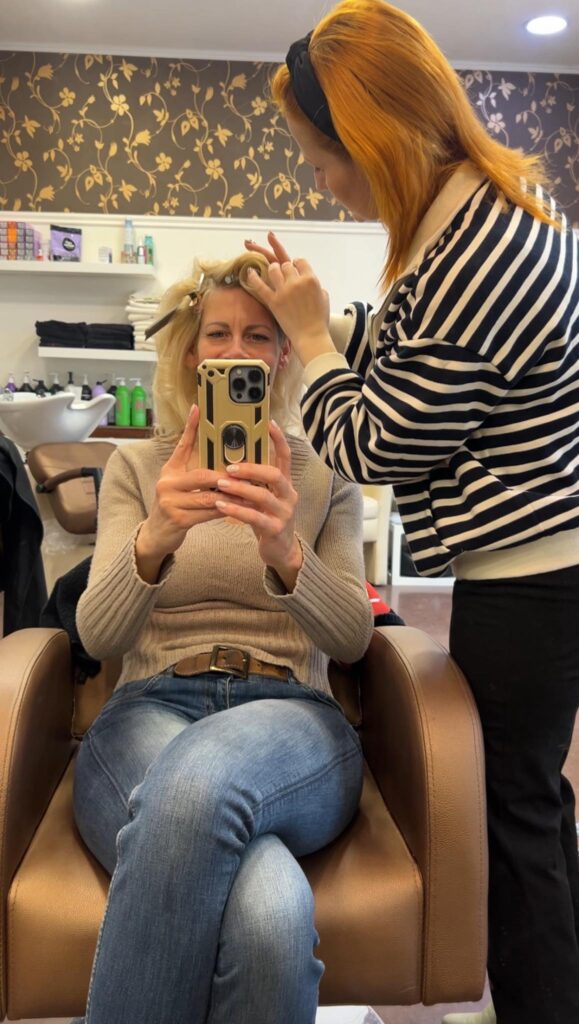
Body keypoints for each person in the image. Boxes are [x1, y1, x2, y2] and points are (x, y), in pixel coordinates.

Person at [243, 2, 579, 1023]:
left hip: (527, 581)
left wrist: (310, 340)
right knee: (532, 803)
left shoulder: (475, 249)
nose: (322, 180)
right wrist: (334, 323)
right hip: (532, 566)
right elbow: (416, 354)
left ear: (372, 137)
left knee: (511, 813)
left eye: (320, 156)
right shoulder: (479, 219)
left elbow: (376, 443)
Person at [71, 251, 374, 1024]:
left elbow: (350, 644)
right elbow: (99, 634)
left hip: (291, 717)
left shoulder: (325, 474)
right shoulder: (138, 466)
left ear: (281, 355)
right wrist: (157, 534)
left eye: (258, 334)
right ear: (191, 351)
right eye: (217, 334)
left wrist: (285, 552)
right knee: (270, 920)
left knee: (199, 781)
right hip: (147, 707)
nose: (236, 352)